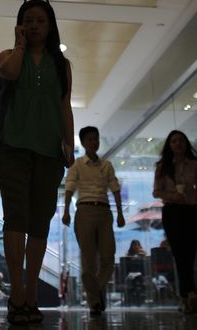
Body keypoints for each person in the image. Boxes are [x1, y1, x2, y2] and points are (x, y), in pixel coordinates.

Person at [0, 0, 74, 325]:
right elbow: (9, 72)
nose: (35, 25)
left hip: (49, 152)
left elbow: (64, 105)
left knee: (40, 220)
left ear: (51, 25)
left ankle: (29, 293)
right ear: (20, 25)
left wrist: (69, 145)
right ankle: (16, 294)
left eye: (41, 20)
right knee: (16, 216)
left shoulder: (61, 64)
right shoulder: (9, 56)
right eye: (29, 20)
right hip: (12, 148)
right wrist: (19, 45)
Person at [62, 125, 125, 316]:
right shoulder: (77, 164)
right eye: (89, 139)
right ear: (83, 142)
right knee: (88, 261)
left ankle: (94, 295)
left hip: (105, 212)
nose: (94, 142)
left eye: (96, 138)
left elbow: (115, 189)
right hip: (84, 210)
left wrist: (121, 213)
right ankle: (96, 301)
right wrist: (66, 211)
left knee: (108, 257)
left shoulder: (107, 165)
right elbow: (70, 187)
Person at [152, 130, 197, 314]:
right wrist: (173, 196)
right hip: (172, 212)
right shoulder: (162, 166)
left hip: (192, 211)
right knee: (179, 253)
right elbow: (157, 192)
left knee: (189, 254)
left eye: (181, 140)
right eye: (174, 141)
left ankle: (185, 296)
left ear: (186, 143)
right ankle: (190, 293)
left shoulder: (193, 165)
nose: (178, 144)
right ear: (169, 145)